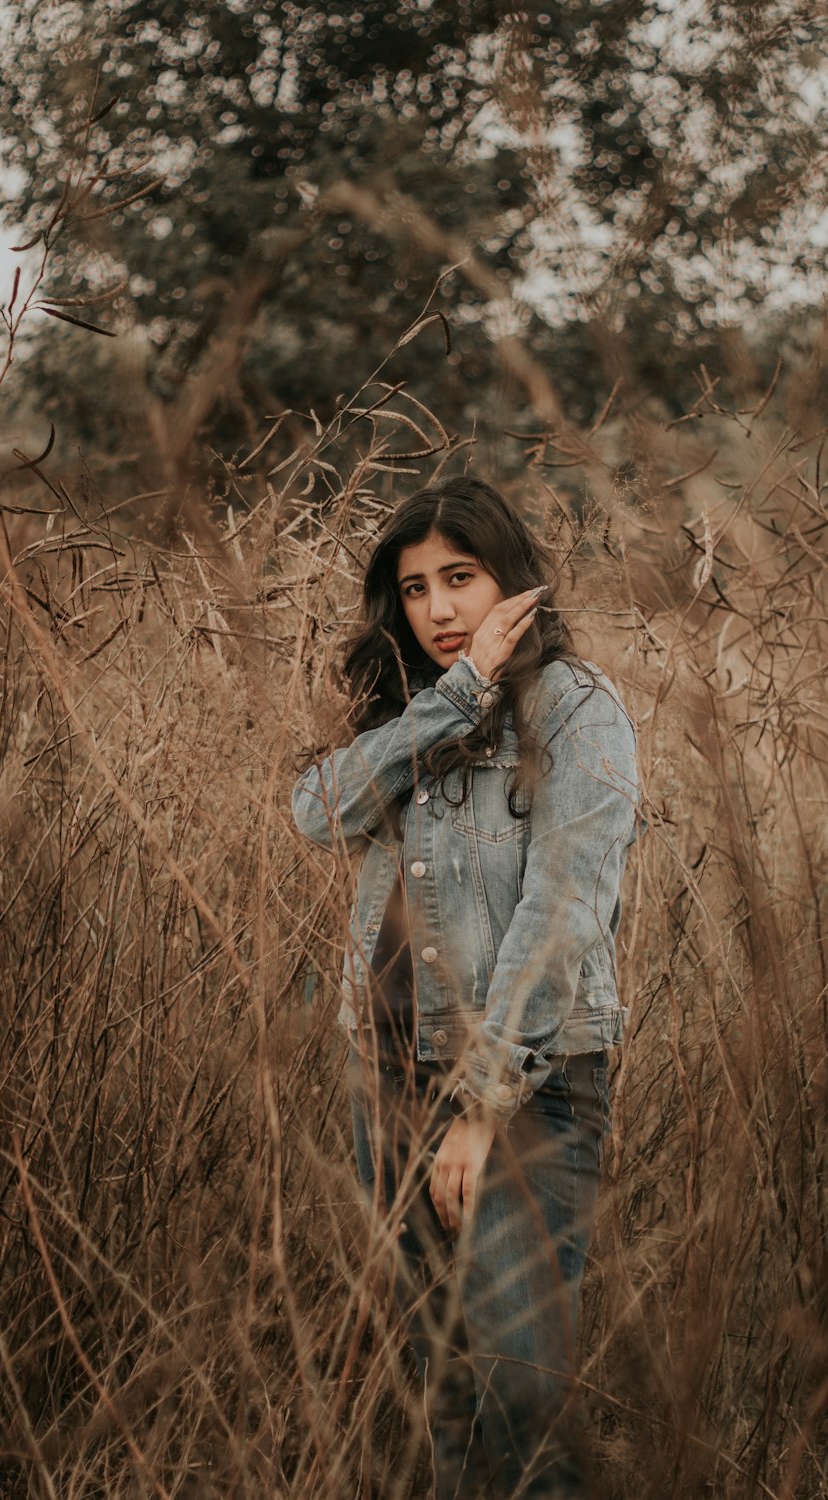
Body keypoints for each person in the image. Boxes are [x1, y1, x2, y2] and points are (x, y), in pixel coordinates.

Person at [292, 475, 640, 1497]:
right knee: (440, 1390)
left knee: (520, 1403)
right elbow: (316, 813)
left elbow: (564, 913)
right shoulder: (412, 711)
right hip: (391, 1082)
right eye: (413, 589)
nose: (438, 610)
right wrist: (453, 698)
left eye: (461, 578)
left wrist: (483, 1109)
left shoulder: (575, 708)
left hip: (526, 1087)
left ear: (513, 583)